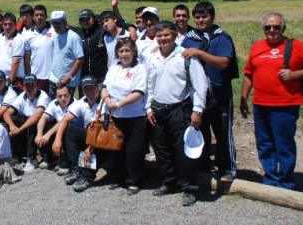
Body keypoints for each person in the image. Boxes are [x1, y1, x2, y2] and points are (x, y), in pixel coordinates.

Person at [240, 12, 303, 190]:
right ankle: (270, 178)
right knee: (264, 143)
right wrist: (244, 98)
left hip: (285, 105)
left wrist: (296, 74)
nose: (272, 30)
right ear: (263, 29)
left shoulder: (297, 46)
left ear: (283, 28)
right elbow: (249, 74)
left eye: (276, 27)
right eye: (268, 27)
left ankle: (285, 181)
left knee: (283, 143)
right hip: (260, 104)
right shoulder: (257, 47)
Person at [145, 21, 208, 206]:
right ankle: (169, 182)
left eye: (166, 35)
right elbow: (149, 84)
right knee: (162, 149)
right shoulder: (152, 57)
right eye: (159, 36)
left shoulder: (186, 56)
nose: (163, 39)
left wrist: (198, 110)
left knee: (182, 151)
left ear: (174, 35)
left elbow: (200, 85)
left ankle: (189, 187)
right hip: (158, 110)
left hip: (179, 109)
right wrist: (148, 107)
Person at [181, 1, 239, 181]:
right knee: (200, 130)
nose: (200, 20)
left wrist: (200, 54)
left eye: (204, 16)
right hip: (197, 95)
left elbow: (223, 63)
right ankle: (201, 166)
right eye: (197, 17)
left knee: (222, 132)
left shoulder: (221, 37)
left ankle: (227, 168)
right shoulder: (189, 38)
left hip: (220, 93)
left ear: (212, 17)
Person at [101, 38, 148, 194]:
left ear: (134, 52)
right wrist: (107, 100)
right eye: (121, 51)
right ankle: (119, 178)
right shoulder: (114, 67)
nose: (124, 54)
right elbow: (104, 87)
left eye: (127, 50)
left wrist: (119, 104)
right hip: (116, 116)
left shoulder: (139, 69)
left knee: (134, 151)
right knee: (117, 149)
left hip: (135, 116)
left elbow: (138, 93)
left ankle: (133, 181)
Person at [51, 75, 104, 193]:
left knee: (94, 145)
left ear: (98, 88)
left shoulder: (104, 103)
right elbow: (64, 119)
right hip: (90, 134)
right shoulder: (82, 102)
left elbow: (102, 131)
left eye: (92, 88)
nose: (90, 92)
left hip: (103, 137)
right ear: (83, 91)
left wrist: (90, 147)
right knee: (69, 128)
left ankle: (87, 177)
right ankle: (77, 170)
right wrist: (57, 140)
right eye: (86, 89)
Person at [3, 74, 50, 172]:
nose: (29, 88)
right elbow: (6, 113)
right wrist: (12, 126)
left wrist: (18, 129)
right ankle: (17, 155)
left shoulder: (43, 95)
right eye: (27, 85)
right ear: (23, 87)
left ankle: (32, 159)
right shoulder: (22, 96)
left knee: (32, 122)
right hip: (27, 124)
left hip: (42, 127)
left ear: (38, 86)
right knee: (12, 120)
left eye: (32, 85)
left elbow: (37, 115)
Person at [35, 83, 74, 170]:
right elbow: (43, 118)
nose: (63, 98)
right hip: (59, 127)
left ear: (70, 94)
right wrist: (39, 134)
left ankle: (64, 163)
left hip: (72, 131)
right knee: (45, 125)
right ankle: (49, 159)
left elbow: (63, 121)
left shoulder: (75, 104)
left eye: (65, 95)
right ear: (56, 96)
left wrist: (48, 134)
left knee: (65, 130)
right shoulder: (53, 103)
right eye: (60, 96)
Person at [48, 11, 84, 98]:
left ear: (65, 22)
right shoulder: (54, 35)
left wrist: (69, 76)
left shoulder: (74, 37)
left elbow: (80, 59)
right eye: (54, 23)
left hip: (68, 81)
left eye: (59, 22)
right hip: (54, 78)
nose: (57, 25)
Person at [23, 4, 53, 92]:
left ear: (46, 17)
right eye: (36, 15)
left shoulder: (54, 31)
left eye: (42, 15)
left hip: (51, 76)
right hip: (35, 76)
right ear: (33, 17)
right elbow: (27, 58)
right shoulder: (27, 34)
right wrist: (28, 76)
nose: (39, 17)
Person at [0, 12, 26, 87]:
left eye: (10, 24)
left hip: (14, 80)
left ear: (15, 24)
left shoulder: (19, 39)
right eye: (5, 24)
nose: (7, 27)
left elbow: (16, 62)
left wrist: (9, 82)